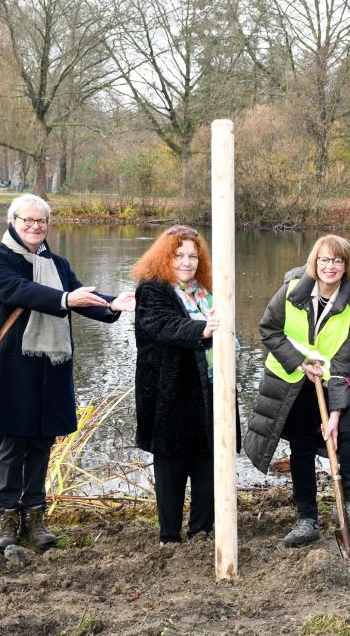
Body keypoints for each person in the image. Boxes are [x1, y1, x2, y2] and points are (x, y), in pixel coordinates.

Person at [0, 194, 135, 549]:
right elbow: (23, 292)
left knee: (43, 443)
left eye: (42, 221)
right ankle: (5, 521)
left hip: (52, 368)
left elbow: (79, 297)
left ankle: (34, 518)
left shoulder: (58, 263)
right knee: (13, 444)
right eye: (28, 220)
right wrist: (66, 299)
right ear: (12, 222)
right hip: (14, 368)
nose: (35, 226)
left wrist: (113, 304)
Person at [245, 235, 350, 547]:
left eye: (338, 261)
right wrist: (300, 361)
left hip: (337, 379)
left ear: (346, 266)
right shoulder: (291, 290)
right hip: (294, 378)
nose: (331, 266)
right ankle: (307, 519)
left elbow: (346, 359)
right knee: (302, 441)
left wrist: (335, 412)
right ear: (314, 263)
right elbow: (268, 329)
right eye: (325, 260)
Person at [132, 225, 223, 544]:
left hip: (211, 387)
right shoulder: (152, 290)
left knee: (209, 462)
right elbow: (162, 325)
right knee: (171, 465)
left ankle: (202, 530)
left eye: (193, 256)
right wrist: (204, 330)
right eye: (178, 256)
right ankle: (169, 536)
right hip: (169, 390)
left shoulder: (210, 290)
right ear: (164, 258)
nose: (186, 262)